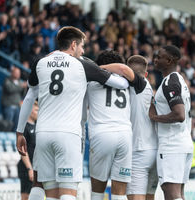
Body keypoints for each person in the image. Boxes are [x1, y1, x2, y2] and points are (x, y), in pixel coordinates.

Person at [16, 26, 137, 200]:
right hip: (69, 134)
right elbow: (123, 84)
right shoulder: (82, 64)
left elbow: (29, 98)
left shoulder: (40, 62)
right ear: (73, 45)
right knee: (68, 191)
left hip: (43, 133)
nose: (82, 51)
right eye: (81, 47)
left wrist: (20, 131)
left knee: (47, 189)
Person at [86, 51, 146, 200]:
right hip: (125, 136)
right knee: (119, 195)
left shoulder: (91, 82)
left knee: (97, 193)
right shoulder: (128, 83)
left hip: (102, 134)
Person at [149, 45, 193, 200]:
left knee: (172, 195)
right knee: (179, 195)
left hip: (172, 145)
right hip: (183, 141)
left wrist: (155, 118)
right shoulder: (180, 80)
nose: (155, 59)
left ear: (168, 60)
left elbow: (179, 114)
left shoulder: (169, 83)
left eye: (159, 57)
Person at [125, 55, 158, 200]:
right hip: (153, 150)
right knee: (149, 196)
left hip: (139, 151)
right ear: (146, 73)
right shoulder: (147, 86)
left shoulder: (140, 84)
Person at [18, 101, 43, 200]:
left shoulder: (37, 126)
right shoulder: (24, 127)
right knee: (26, 196)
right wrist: (29, 168)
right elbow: (23, 151)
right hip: (26, 167)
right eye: (36, 110)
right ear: (30, 110)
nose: (38, 112)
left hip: (36, 166)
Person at [1, 67, 27, 131]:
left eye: (19, 73)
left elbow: (22, 94)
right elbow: (10, 89)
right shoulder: (7, 80)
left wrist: (25, 88)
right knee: (7, 124)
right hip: (8, 106)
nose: (18, 74)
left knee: (16, 125)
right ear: (12, 73)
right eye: (16, 73)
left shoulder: (19, 82)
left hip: (17, 106)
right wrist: (21, 86)